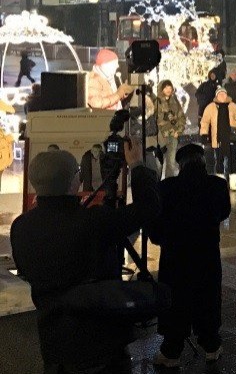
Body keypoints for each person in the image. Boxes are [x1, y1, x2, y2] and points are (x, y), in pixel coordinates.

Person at [11, 140, 159, 374]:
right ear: (73, 182)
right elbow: (148, 208)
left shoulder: (21, 227)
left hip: (54, 343)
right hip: (101, 343)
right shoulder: (94, 221)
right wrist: (137, 166)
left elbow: (26, 271)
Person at [149, 143, 231, 368]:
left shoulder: (167, 188)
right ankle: (211, 345)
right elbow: (223, 212)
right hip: (206, 255)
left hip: (176, 257)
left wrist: (159, 238)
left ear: (179, 164)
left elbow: (156, 224)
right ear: (203, 161)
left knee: (175, 301)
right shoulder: (217, 185)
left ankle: (171, 351)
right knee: (208, 298)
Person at [200, 86, 236, 191]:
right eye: (220, 94)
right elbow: (205, 121)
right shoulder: (211, 107)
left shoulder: (233, 106)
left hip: (231, 138)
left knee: (233, 160)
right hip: (218, 138)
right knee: (219, 161)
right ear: (216, 95)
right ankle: (220, 182)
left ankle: (233, 183)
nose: (222, 96)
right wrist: (204, 134)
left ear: (226, 95)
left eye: (224, 94)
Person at [152, 79, 186, 180]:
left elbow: (182, 118)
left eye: (170, 87)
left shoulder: (175, 102)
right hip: (159, 136)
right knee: (158, 163)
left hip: (172, 136)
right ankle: (156, 185)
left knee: (171, 163)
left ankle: (168, 185)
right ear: (161, 88)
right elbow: (151, 118)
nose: (168, 89)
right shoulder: (156, 102)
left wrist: (178, 131)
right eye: (166, 87)